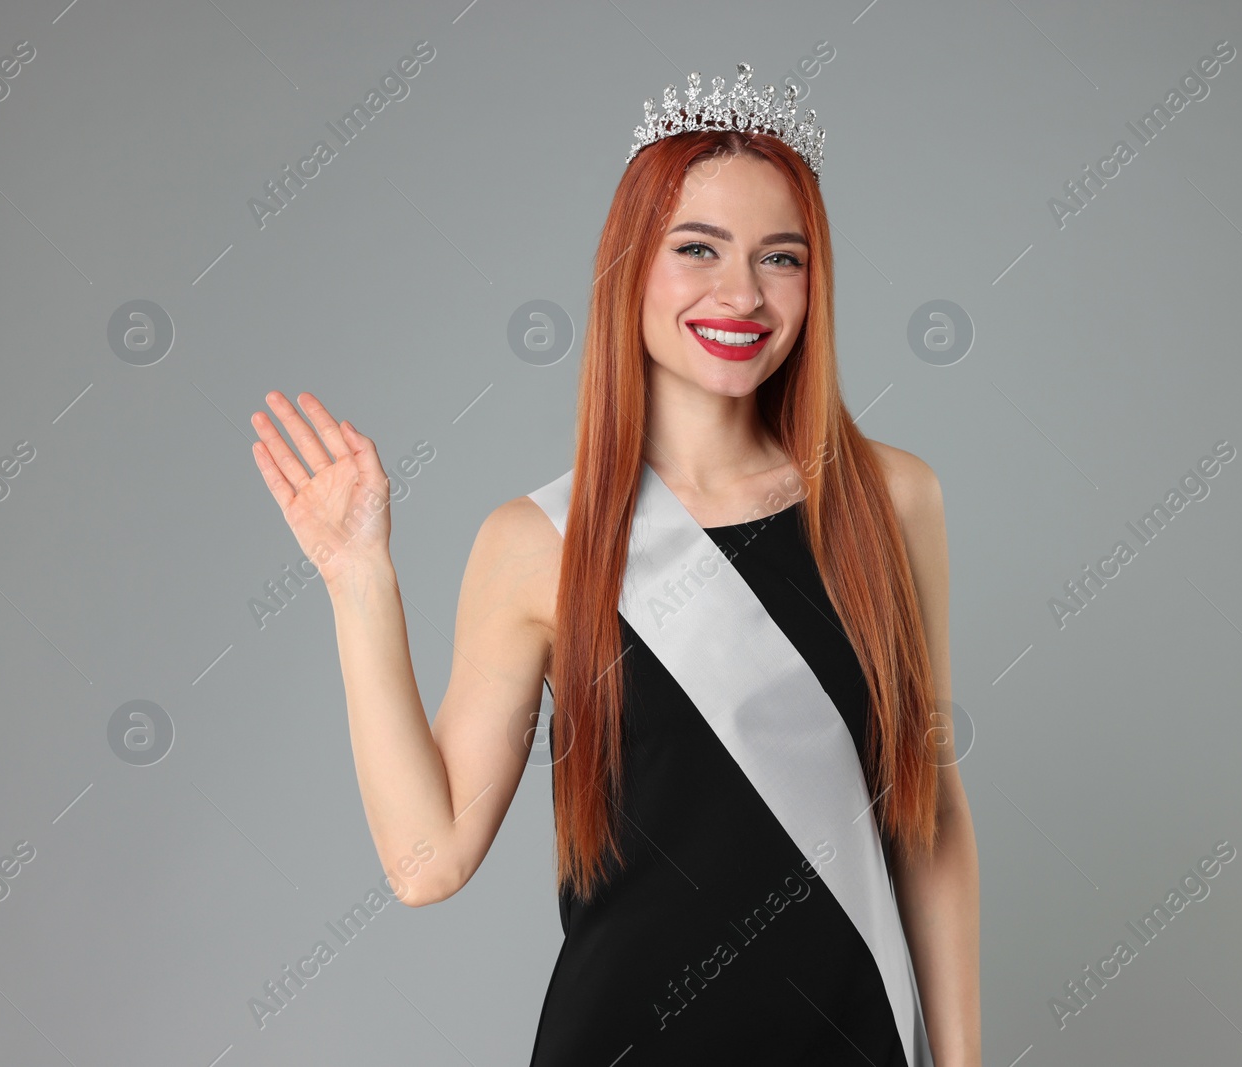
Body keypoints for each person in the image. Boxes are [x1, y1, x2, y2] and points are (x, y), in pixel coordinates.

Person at [248, 62, 980, 1067]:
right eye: (697, 249)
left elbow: (926, 818)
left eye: (781, 258)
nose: (742, 293)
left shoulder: (894, 500)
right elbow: (428, 860)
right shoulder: (537, 543)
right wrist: (355, 576)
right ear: (629, 265)